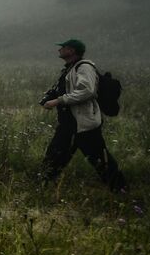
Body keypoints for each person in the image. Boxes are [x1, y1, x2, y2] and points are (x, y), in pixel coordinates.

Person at [40, 38, 126, 192]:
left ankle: (120, 188)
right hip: (69, 123)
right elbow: (67, 89)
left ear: (72, 51)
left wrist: (58, 101)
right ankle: (43, 184)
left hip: (84, 124)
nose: (59, 50)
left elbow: (87, 91)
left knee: (100, 159)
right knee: (54, 154)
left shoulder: (84, 67)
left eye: (63, 47)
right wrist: (51, 96)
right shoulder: (69, 68)